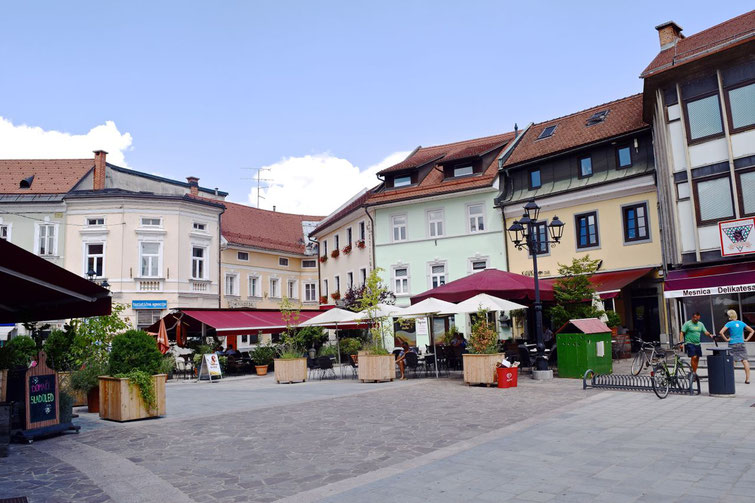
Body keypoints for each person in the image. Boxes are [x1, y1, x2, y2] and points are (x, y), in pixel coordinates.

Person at [719, 309, 754, 384]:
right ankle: (747, 380)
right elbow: (752, 331)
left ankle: (730, 379)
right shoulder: (741, 323)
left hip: (732, 344)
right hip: (741, 343)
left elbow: (721, 332)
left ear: (729, 316)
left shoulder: (729, 323)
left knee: (732, 361)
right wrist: (747, 339)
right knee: (745, 361)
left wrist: (726, 339)